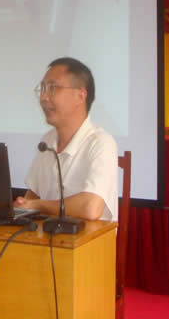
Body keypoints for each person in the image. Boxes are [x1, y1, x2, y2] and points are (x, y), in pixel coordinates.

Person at [14, 57, 119, 221]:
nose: (43, 97)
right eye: (42, 89)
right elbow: (31, 198)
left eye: (52, 88)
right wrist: (22, 207)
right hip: (47, 234)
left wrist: (38, 205)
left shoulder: (101, 143)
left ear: (80, 96)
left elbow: (90, 208)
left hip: (88, 237)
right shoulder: (47, 141)